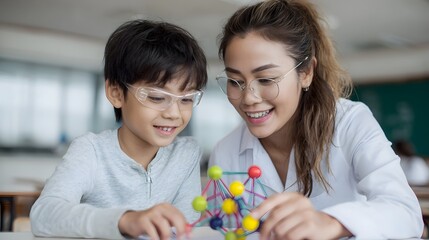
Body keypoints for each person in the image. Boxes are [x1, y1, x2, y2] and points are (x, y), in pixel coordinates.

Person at [209, 0, 423, 239]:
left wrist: (331, 222)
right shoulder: (225, 152)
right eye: (235, 81)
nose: (248, 98)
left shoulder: (350, 122)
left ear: (306, 72)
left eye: (267, 79)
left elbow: (405, 213)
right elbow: (225, 232)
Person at [30, 19, 207, 239]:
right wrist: (125, 220)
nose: (174, 113)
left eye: (187, 99)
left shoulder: (185, 154)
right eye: (157, 97)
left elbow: (184, 227)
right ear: (116, 93)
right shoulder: (91, 151)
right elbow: (44, 215)